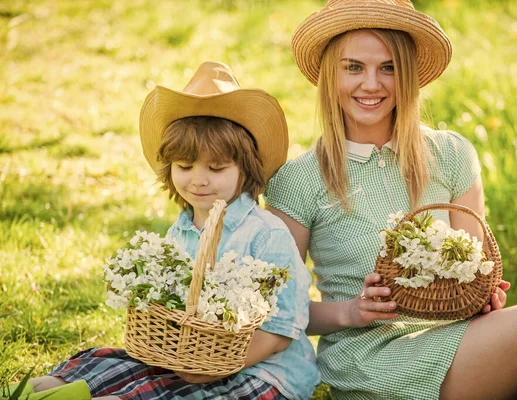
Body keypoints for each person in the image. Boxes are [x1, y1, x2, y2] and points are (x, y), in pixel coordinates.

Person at [264, 1, 517, 399]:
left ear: (407, 75)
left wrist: (482, 295)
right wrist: (349, 311)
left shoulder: (452, 155)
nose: (371, 84)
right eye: (353, 67)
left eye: (388, 68)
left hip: (458, 339)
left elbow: (477, 270)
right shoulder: (300, 179)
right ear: (329, 75)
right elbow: (276, 311)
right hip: (372, 358)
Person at [19, 61, 319, 400]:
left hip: (265, 372)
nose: (198, 179)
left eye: (216, 167)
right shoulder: (181, 231)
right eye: (185, 166)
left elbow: (280, 331)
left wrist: (209, 369)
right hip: (187, 361)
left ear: (245, 169)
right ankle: (34, 392)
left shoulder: (266, 234)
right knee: (105, 366)